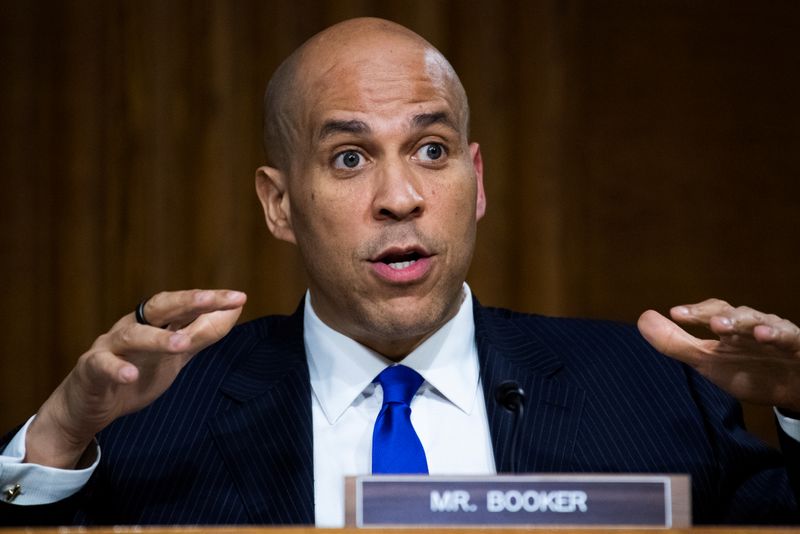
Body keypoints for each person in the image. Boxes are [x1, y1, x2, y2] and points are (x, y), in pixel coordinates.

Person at [2, 17, 800, 526]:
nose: (400, 197)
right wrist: (64, 433)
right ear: (279, 205)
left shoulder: (653, 388)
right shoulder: (154, 415)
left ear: (476, 181)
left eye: (431, 150)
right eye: (349, 158)